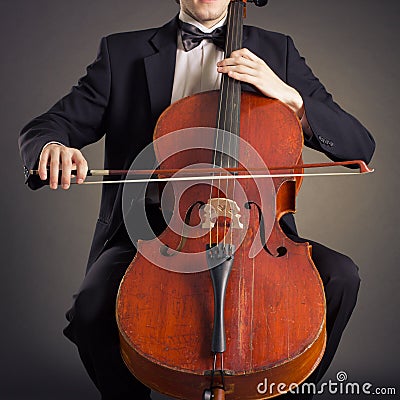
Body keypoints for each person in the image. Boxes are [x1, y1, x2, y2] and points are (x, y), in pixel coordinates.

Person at [19, 0, 375, 399]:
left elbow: (359, 145)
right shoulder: (122, 53)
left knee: (341, 277)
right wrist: (52, 147)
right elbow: (49, 125)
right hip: (151, 232)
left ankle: (280, 390)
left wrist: (293, 100)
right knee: (92, 309)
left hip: (252, 233)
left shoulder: (279, 51)